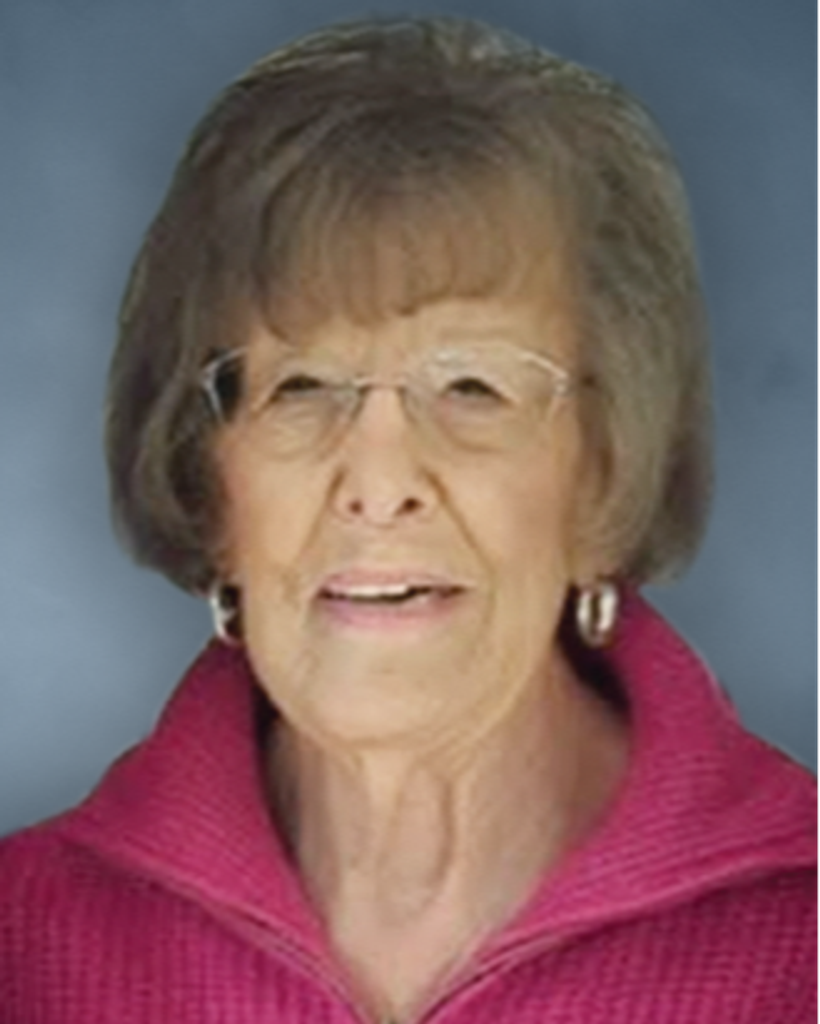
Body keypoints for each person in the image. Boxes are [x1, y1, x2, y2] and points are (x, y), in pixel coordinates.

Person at [0, 14, 816, 1024]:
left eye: (471, 387)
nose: (379, 483)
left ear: (607, 462)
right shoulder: (25, 949)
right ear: (208, 476)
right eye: (301, 387)